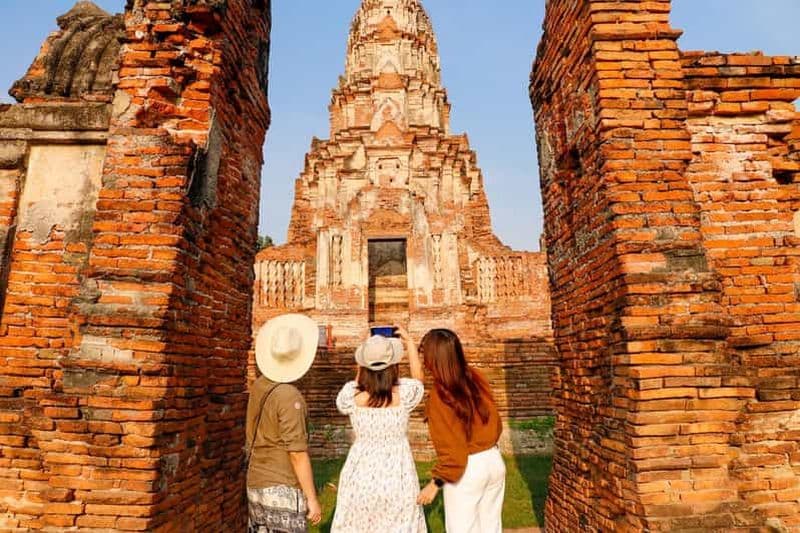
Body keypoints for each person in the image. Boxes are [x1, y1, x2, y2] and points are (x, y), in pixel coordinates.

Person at [331, 327, 427, 533]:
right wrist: (409, 342)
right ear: (393, 366)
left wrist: (364, 352)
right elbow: (419, 379)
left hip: (361, 470)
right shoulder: (404, 394)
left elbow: (357, 382)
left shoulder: (351, 396)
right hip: (398, 471)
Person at [415, 329, 505, 533]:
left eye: (424, 354)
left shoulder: (440, 395)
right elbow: (496, 424)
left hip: (467, 469)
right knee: (491, 528)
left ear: (433, 358)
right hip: (494, 461)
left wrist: (435, 483)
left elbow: (452, 450)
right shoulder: (476, 378)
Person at [246, 313, 323, 533]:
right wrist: (312, 498)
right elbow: (297, 453)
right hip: (281, 485)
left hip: (256, 481)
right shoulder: (289, 396)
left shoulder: (259, 386)